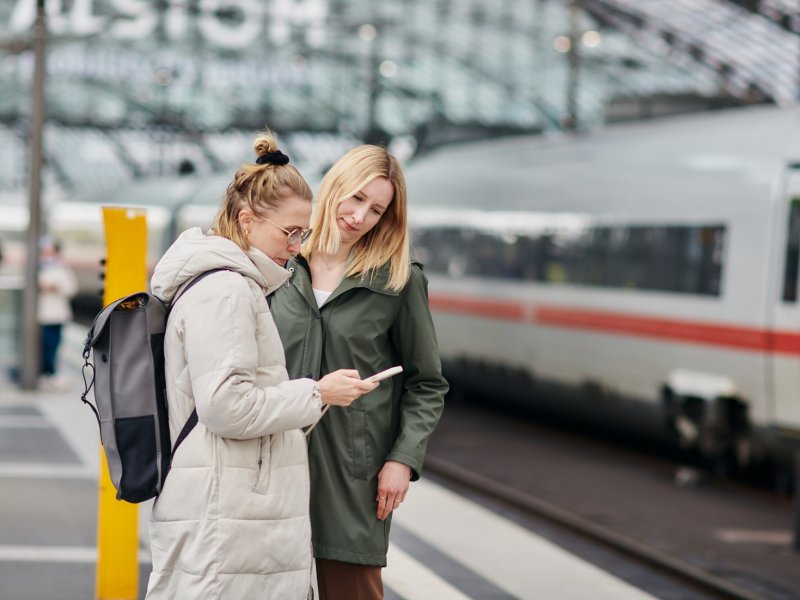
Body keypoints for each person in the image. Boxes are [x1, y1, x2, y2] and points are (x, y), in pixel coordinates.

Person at [145, 132, 377, 599]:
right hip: (228, 517)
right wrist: (317, 393)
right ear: (247, 220)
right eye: (289, 232)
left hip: (234, 510)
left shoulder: (238, 285)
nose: (296, 246)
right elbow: (227, 407)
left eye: (303, 233)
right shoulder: (226, 290)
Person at [270, 145, 449, 599]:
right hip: (269, 458)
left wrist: (402, 460)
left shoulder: (398, 280)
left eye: (377, 209)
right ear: (333, 189)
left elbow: (426, 383)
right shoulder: (277, 266)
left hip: (353, 473)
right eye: (355, 198)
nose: (359, 216)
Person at [37, 236, 77, 389]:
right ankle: (46, 373)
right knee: (44, 345)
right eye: (45, 252)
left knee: (55, 345)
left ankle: (51, 373)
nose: (48, 255)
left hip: (58, 314)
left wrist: (57, 286)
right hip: (41, 315)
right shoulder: (36, 267)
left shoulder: (63, 268)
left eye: (51, 251)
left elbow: (72, 289)